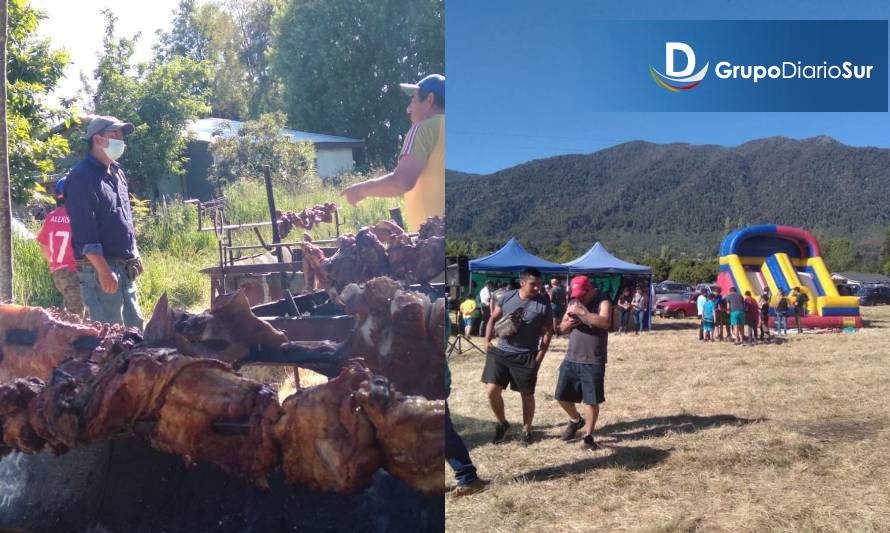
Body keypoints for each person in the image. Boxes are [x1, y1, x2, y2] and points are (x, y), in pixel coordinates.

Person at [65, 116, 144, 328]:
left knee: (134, 329)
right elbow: (84, 231)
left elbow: (125, 217)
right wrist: (103, 270)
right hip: (100, 269)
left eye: (121, 134)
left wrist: (134, 253)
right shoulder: (81, 177)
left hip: (124, 266)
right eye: (115, 134)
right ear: (98, 139)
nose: (121, 139)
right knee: (112, 337)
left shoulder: (118, 172)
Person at [341, 74, 444, 231]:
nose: (408, 108)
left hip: (434, 242)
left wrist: (360, 190)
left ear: (429, 100)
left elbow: (402, 181)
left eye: (413, 99)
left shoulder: (422, 129)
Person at [482, 268, 553, 446]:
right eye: (533, 284)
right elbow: (492, 318)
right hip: (502, 352)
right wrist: (487, 340)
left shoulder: (543, 304)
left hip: (526, 355)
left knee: (526, 394)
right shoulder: (507, 297)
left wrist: (539, 359)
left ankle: (526, 430)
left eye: (539, 284)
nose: (537, 288)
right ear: (522, 283)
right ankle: (502, 423)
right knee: (492, 391)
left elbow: (547, 334)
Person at [555, 276, 611, 450]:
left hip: (593, 359)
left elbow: (605, 322)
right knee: (561, 396)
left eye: (582, 295)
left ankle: (588, 436)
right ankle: (575, 420)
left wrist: (583, 314)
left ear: (591, 290)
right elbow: (561, 329)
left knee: (590, 400)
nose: (579, 298)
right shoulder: (573, 302)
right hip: (571, 357)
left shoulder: (603, 300)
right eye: (576, 295)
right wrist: (569, 323)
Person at [36, 178, 85, 318]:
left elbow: (43, 244)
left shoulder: (51, 217)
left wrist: (54, 263)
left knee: (73, 309)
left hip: (59, 272)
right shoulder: (78, 216)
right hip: (75, 270)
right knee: (77, 317)